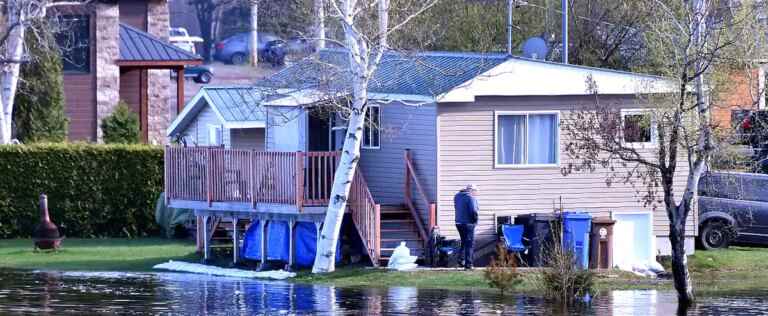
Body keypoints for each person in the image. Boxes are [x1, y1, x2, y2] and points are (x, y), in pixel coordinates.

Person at [454, 184, 479, 270]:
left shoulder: (457, 196)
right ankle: (468, 265)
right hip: (468, 223)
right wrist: (475, 221)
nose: (476, 193)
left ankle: (461, 261)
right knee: (470, 244)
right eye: (475, 191)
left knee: (464, 242)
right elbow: (474, 211)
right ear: (471, 190)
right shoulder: (471, 197)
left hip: (458, 223)